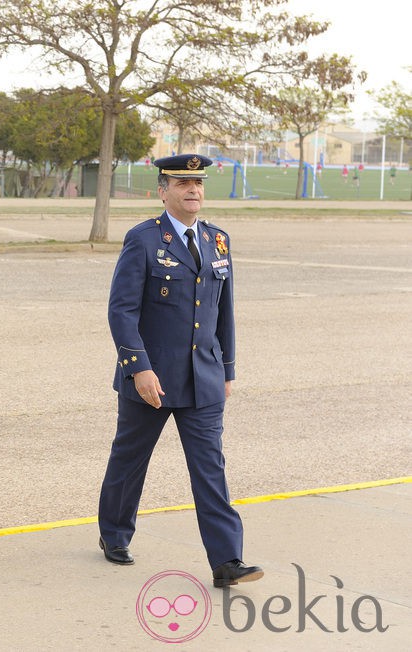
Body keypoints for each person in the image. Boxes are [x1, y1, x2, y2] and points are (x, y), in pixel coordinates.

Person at [97, 154, 262, 589]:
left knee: (210, 467)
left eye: (198, 182)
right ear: (162, 190)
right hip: (153, 378)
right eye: (182, 182)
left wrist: (227, 369)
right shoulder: (144, 239)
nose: (193, 189)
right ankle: (114, 533)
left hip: (204, 376)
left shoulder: (218, 241)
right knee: (130, 459)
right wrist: (139, 369)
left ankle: (227, 560)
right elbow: (122, 310)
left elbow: (224, 312)